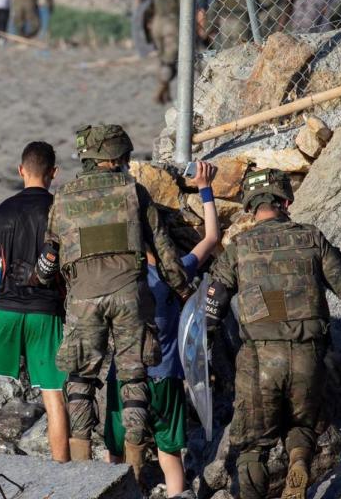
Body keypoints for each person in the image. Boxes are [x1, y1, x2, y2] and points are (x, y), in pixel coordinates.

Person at [205, 168, 341, 499]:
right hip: (308, 355)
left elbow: (213, 300)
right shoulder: (311, 238)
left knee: (251, 447)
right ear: (286, 200)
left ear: (249, 207)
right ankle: (299, 462)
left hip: (259, 361)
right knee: (303, 422)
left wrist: (205, 340)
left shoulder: (239, 248)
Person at [33, 124, 193, 477]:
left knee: (80, 381)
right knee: (135, 380)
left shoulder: (64, 198)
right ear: (116, 158)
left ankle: (79, 474)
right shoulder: (133, 191)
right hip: (130, 297)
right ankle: (133, 473)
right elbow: (165, 252)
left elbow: (49, 258)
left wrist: (43, 280)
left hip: (83, 299)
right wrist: (183, 289)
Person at [104, 161, 219, 498]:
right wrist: (204, 187)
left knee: (116, 453)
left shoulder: (115, 278)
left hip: (122, 377)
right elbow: (211, 238)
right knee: (170, 456)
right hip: (165, 377)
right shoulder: (175, 274)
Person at [0, 141, 70, 463]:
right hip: (47, 312)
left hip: (7, 308)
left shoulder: (1, 211)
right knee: (53, 393)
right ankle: (61, 466)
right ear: (53, 173)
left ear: (21, 170)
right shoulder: (60, 210)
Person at [150, 0, 181, 105]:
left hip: (157, 22)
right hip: (171, 23)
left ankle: (166, 92)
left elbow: (150, 3)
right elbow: (184, 4)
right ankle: (161, 88)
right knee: (170, 60)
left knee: (162, 58)